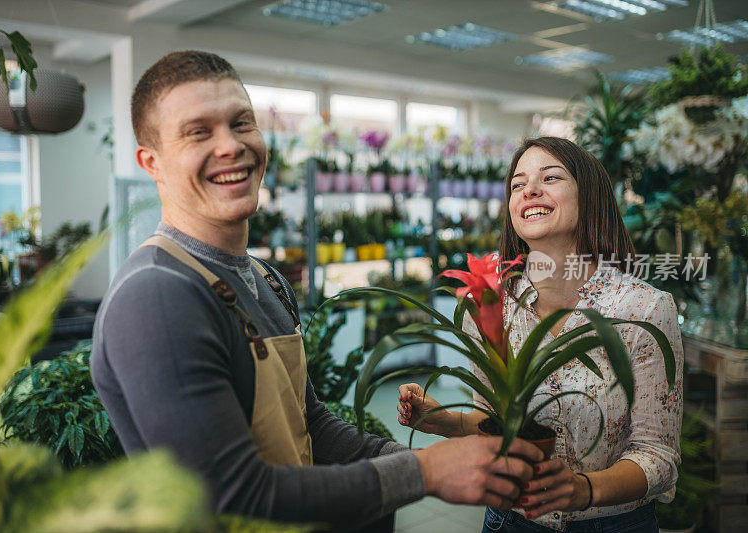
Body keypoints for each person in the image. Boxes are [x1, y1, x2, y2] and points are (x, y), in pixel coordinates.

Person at [90, 50, 545, 531]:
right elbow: (229, 493)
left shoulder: (264, 280)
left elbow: (312, 427)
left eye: (241, 123)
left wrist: (462, 462)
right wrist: (424, 471)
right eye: (199, 131)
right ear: (151, 163)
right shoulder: (158, 295)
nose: (231, 146)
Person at [398, 137, 683, 533]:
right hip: (510, 522)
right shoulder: (490, 300)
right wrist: (443, 420)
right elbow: (494, 419)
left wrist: (584, 489)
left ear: (590, 197)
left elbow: (659, 457)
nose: (529, 190)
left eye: (551, 177)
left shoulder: (642, 309)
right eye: (517, 184)